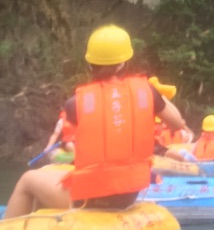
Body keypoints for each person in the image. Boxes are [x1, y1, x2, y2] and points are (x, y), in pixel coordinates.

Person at [3, 25, 186, 220]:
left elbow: (70, 149)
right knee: (49, 178)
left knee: (27, 180)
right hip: (129, 194)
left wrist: (59, 153)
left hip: (90, 199)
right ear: (123, 63)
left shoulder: (76, 103)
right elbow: (178, 124)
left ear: (90, 64)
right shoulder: (146, 92)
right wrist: (154, 94)